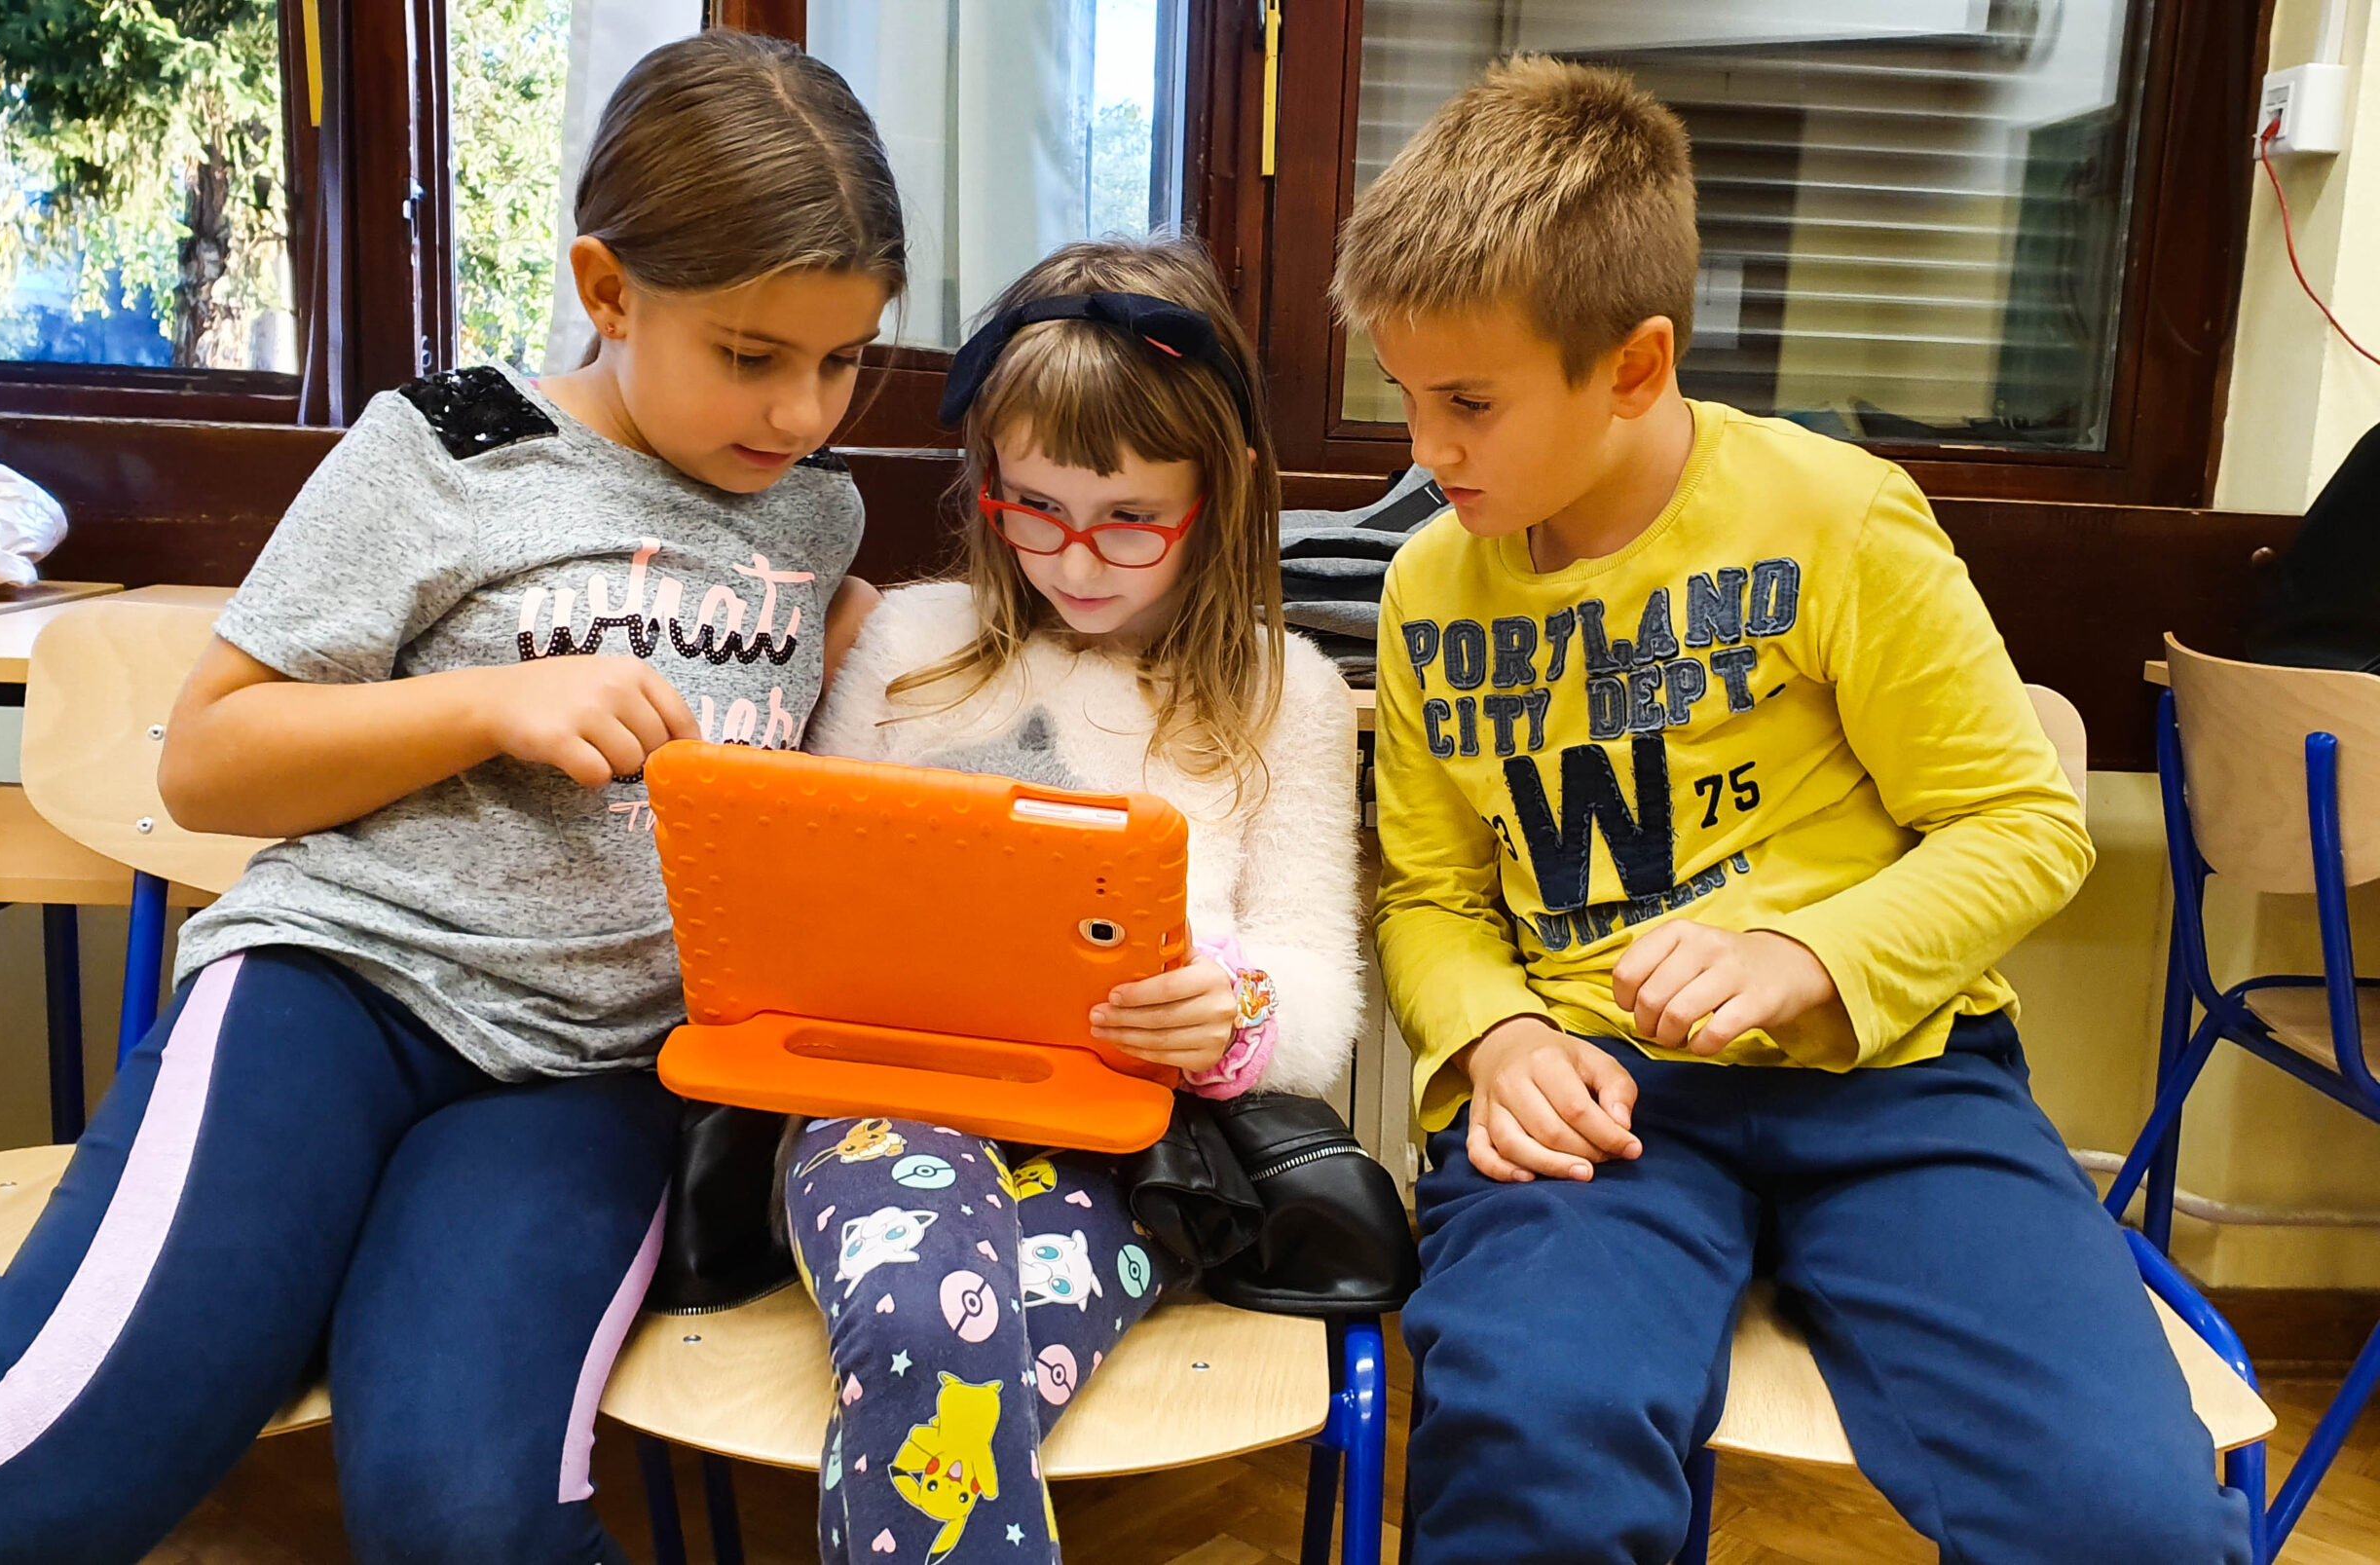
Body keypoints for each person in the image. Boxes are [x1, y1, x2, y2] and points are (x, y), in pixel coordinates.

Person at [0, 29, 901, 1565]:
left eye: (845, 360)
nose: (804, 412)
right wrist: (490, 704)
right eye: (752, 358)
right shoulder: (448, 446)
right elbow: (208, 759)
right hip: (338, 997)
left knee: (464, 1526)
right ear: (608, 290)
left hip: (594, 1076)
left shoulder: (816, 516)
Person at [1338, 57, 2251, 1564]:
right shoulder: (1430, 585)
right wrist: (1498, 1041)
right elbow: (1431, 897)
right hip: (1601, 1105)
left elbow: (2023, 824)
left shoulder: (1840, 518)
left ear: (1634, 367)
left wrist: (1809, 956)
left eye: (1469, 404)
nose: (1423, 452)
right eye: (1405, 395)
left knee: (2123, 1515)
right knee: (1533, 1449)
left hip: (1899, 1085)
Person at [790, 237, 1363, 1565]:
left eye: (1129, 518)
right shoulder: (912, 646)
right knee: (932, 1327)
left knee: (977, 1354)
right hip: (891, 1105)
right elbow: (813, 900)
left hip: (1129, 1144)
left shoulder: (1288, 693)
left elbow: (1320, 988)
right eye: (1033, 507)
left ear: (1221, 491)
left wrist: (1232, 1010)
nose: (1076, 559)